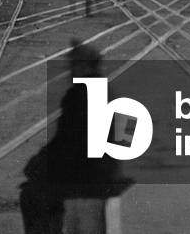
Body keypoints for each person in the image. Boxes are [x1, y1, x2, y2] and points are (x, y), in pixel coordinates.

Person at [20, 41, 130, 234]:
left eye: (74, 66)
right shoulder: (99, 90)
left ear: (85, 66)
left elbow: (69, 144)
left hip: (87, 179)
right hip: (96, 175)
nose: (70, 72)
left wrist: (39, 165)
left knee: (34, 197)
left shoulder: (82, 94)